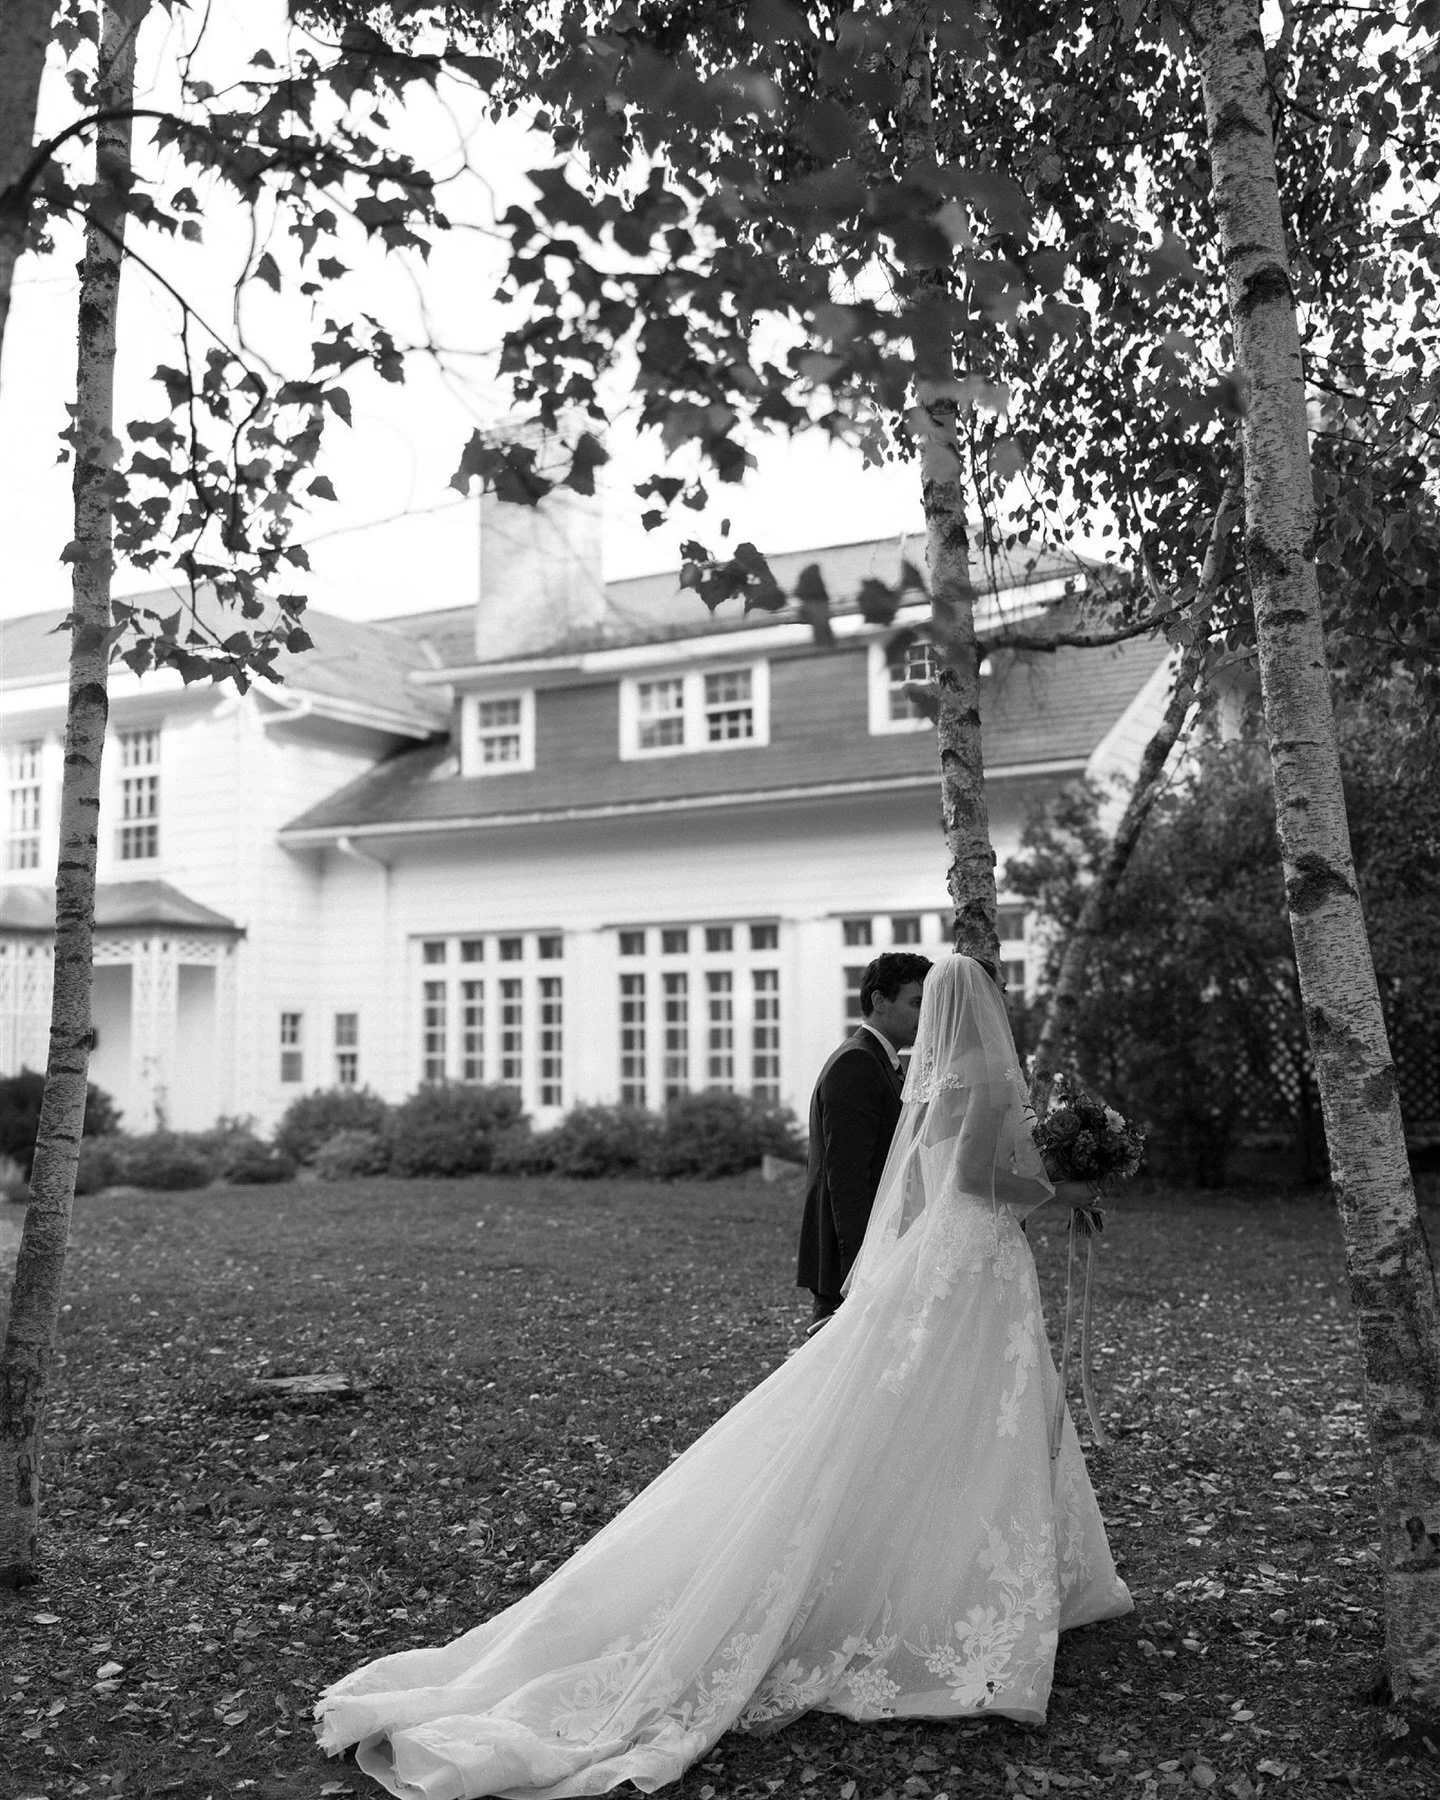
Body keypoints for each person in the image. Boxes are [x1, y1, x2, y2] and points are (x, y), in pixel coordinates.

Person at [315, 955, 1132, 1800]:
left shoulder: (936, 1075)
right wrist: (1065, 1189)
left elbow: (936, 1176)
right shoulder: (977, 1074)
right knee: (973, 1411)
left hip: (958, 1258)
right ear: (983, 1006)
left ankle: (975, 1575)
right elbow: (973, 1177)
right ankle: (954, 1592)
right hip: (975, 1259)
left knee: (965, 1411)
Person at [796, 951, 932, 1333]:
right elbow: (847, 1178)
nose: (925, 1014)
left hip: (872, 1252)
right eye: (916, 1002)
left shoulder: (880, 1061)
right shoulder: (856, 1063)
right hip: (850, 1263)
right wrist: (859, 1272)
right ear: (879, 1001)